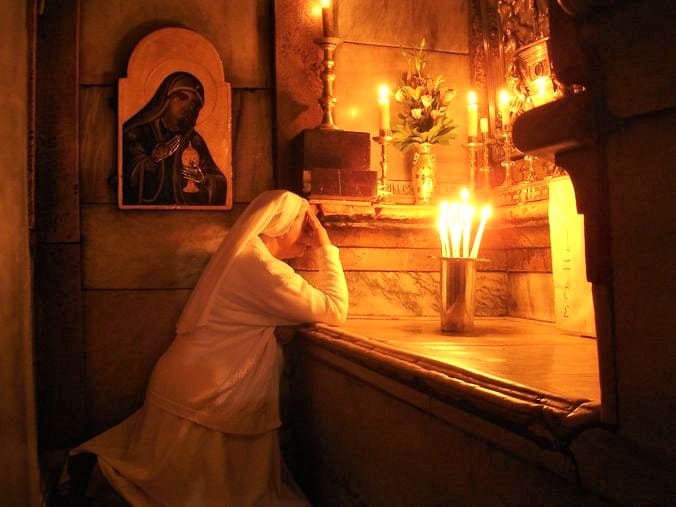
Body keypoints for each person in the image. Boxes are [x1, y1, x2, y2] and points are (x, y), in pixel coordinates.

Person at [68, 190, 349, 506]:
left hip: (195, 380)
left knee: (173, 480)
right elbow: (335, 309)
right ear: (281, 225)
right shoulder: (266, 271)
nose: (311, 232)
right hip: (206, 389)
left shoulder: (247, 255)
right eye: (306, 222)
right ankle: (97, 474)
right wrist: (327, 247)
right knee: (184, 490)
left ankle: (96, 473)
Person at [122, 72, 227, 206]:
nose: (188, 107)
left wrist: (203, 179)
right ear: (165, 100)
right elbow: (128, 176)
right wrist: (153, 160)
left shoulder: (194, 140)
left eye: (194, 104)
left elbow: (219, 181)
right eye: (181, 98)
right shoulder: (138, 133)